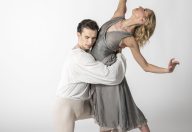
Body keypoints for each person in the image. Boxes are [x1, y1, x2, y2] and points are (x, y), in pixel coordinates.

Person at [90, 0, 180, 132]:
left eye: (144, 10)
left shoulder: (128, 39)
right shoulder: (119, 14)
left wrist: (167, 70)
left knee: (114, 121)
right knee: (111, 120)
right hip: (97, 75)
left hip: (110, 77)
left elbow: (145, 66)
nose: (141, 7)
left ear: (143, 20)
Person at [54, 19, 127, 132]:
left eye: (94, 38)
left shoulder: (86, 52)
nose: (90, 42)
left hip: (83, 104)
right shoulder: (79, 58)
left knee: (110, 116)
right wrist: (119, 55)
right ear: (78, 35)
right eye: (86, 37)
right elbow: (112, 77)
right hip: (66, 106)